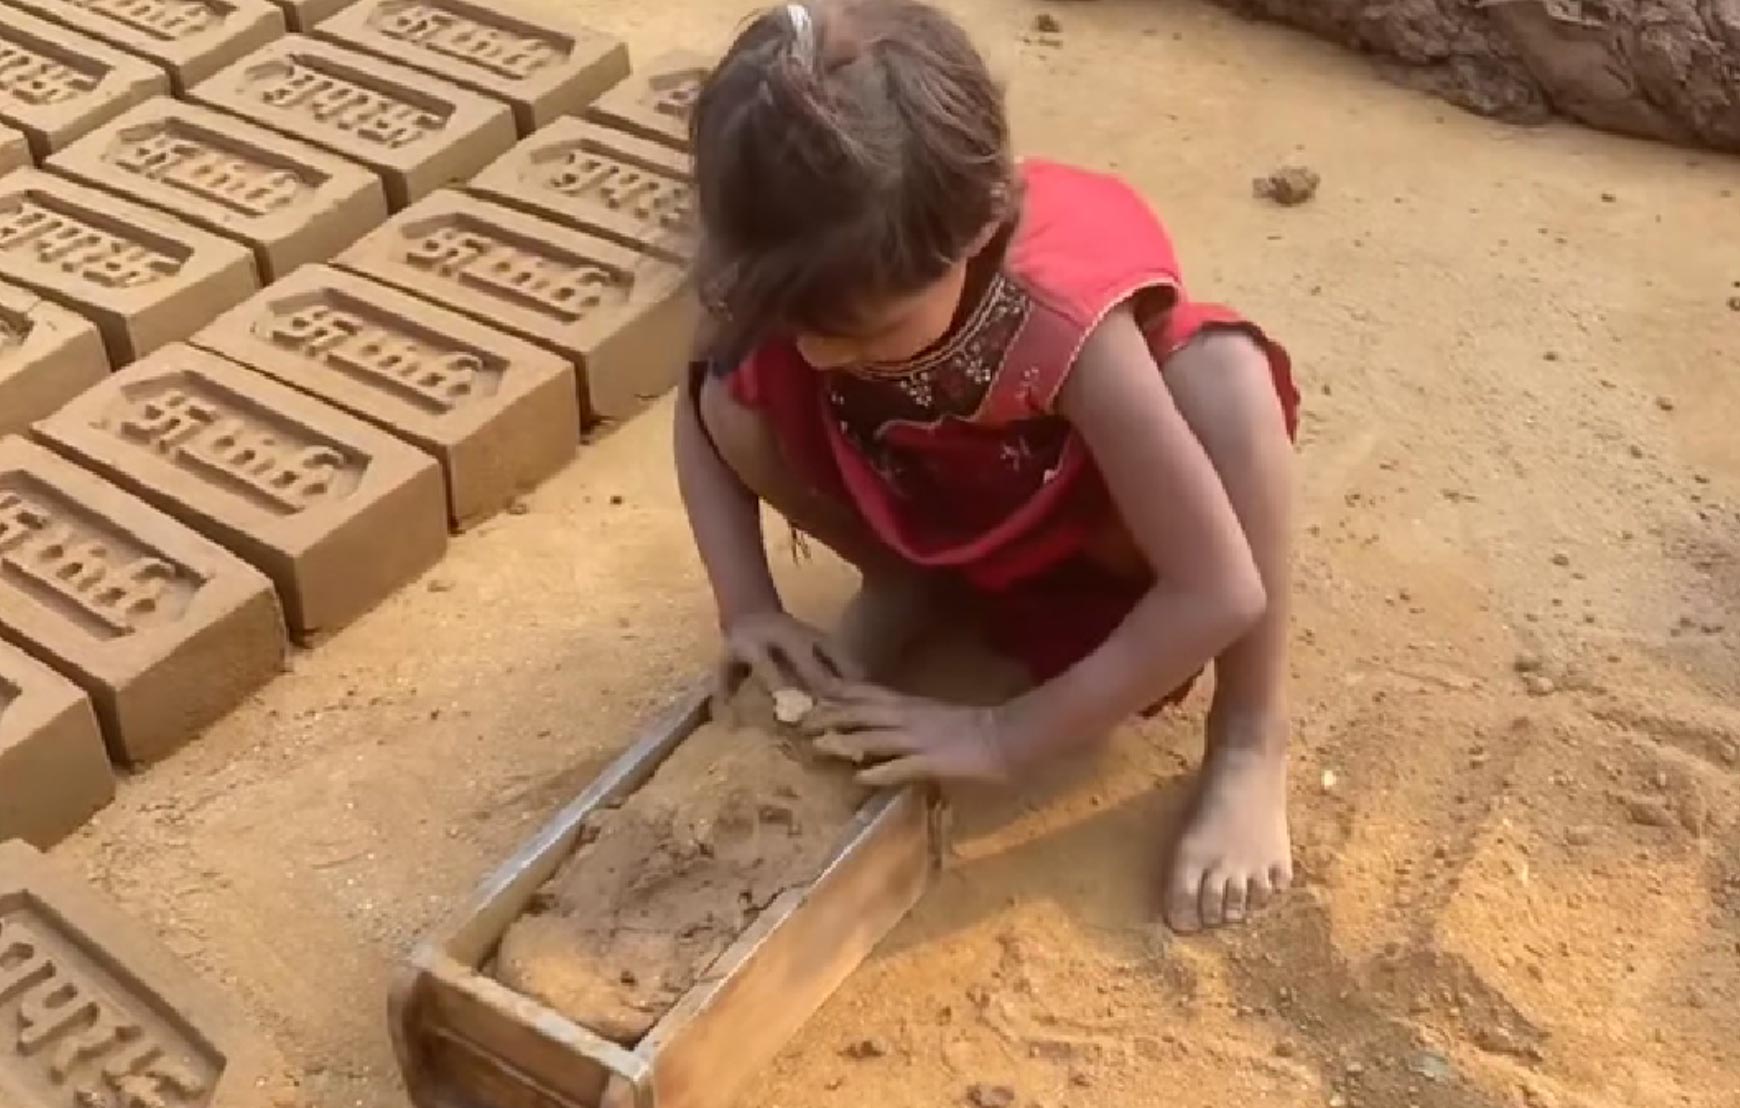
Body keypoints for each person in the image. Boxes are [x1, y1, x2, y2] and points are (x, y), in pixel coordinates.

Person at [673, 0, 1300, 933]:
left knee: (1225, 384)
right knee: (735, 391)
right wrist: (748, 604)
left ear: (979, 228)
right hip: (931, 492)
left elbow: (1216, 591)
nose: (818, 358)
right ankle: (914, 585)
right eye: (803, 326)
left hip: (1104, 526)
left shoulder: (1058, 319)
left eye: (863, 329)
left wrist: (1000, 735)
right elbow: (695, 404)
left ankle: (1253, 737)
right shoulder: (793, 267)